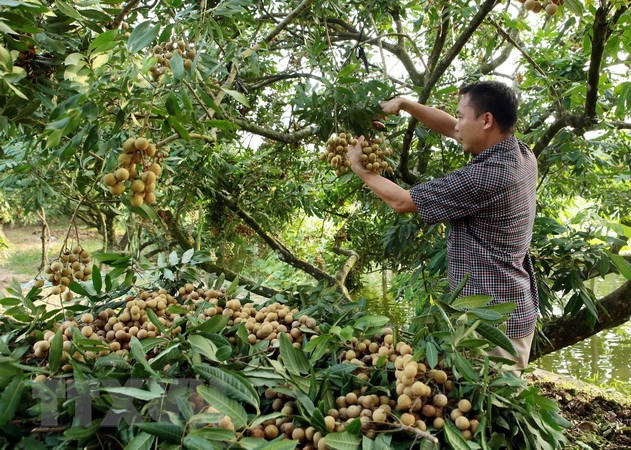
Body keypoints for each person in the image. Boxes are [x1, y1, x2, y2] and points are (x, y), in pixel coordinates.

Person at [347, 80, 539, 370]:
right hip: (511, 304)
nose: (457, 124)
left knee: (490, 395)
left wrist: (360, 169)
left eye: (461, 115)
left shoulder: (487, 176)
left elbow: (402, 201)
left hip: (491, 322)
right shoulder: (520, 153)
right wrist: (405, 104)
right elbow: (452, 128)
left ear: (487, 120)